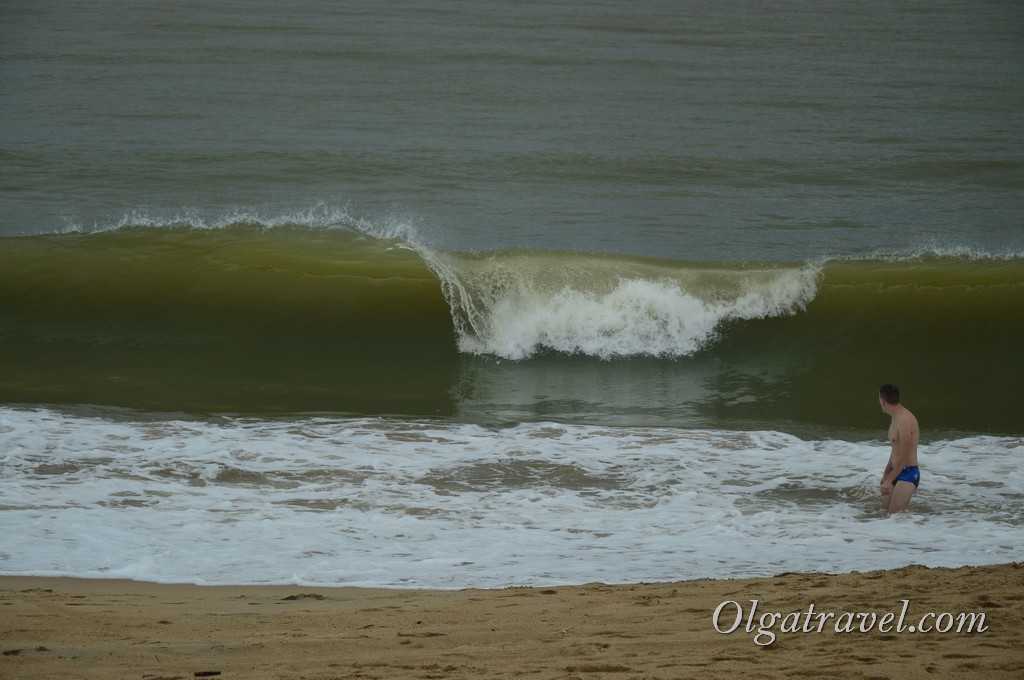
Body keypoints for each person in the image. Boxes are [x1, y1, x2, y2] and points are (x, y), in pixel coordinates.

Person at [878, 384, 920, 513]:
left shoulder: (904, 420)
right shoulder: (895, 417)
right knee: (884, 513)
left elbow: (905, 455)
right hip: (894, 470)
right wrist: (886, 473)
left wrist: (889, 479)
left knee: (894, 516)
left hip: (908, 473)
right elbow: (895, 449)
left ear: (883, 400)